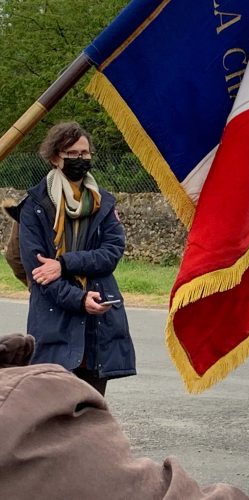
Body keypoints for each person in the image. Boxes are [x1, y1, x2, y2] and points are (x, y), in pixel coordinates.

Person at [0, 333, 249, 499]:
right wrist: (72, 295)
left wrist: (65, 270)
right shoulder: (25, 411)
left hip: (94, 331)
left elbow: (111, 253)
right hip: (60, 328)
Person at [19, 121, 136, 396]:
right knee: (52, 414)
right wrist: (78, 299)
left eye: (85, 153)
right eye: (72, 153)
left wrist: (64, 264)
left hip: (99, 321)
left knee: (90, 412)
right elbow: (38, 272)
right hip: (53, 319)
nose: (80, 159)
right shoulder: (34, 206)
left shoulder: (104, 203)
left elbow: (111, 254)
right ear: (55, 157)